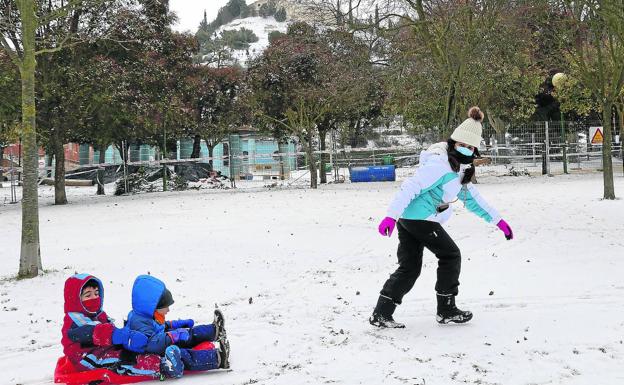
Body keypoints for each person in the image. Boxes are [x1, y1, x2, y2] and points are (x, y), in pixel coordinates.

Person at [370, 107, 514, 328]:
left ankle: (382, 313)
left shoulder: (462, 169)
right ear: (452, 142)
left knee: (409, 268)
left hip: (412, 219)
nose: (465, 149)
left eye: (469, 147)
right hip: (420, 219)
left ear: (474, 149)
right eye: (461, 145)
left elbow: (473, 199)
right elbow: (411, 186)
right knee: (450, 254)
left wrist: (499, 221)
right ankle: (446, 309)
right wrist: (390, 215)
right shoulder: (440, 164)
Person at [125, 274, 230, 378]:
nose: (168, 310)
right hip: (157, 353)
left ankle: (215, 330)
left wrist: (174, 325)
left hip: (162, 341)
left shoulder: (146, 314)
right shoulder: (138, 322)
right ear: (153, 306)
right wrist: (173, 335)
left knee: (189, 333)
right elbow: (151, 345)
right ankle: (219, 358)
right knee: (184, 355)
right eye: (166, 307)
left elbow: (157, 327)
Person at [61, 273, 161, 376]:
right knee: (125, 360)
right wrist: (123, 336)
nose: (94, 298)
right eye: (88, 295)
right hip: (86, 358)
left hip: (102, 350)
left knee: (131, 350)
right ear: (75, 300)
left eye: (96, 293)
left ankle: (163, 353)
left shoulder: (97, 314)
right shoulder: (74, 322)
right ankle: (161, 366)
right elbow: (96, 332)